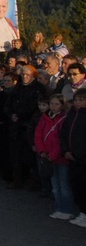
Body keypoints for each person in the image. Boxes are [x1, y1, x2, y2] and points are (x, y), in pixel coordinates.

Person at [35, 94, 76, 220]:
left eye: (56, 104)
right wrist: (41, 151)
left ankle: (68, 209)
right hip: (47, 155)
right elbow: (38, 135)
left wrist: (52, 156)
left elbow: (61, 140)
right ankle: (59, 208)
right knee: (55, 185)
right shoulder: (45, 117)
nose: (53, 106)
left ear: (62, 105)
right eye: (52, 104)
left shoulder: (64, 119)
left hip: (60, 158)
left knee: (64, 185)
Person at [62, 88, 86, 227]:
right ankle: (82, 212)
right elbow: (64, 133)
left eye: (81, 100)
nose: (78, 103)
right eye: (76, 100)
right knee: (76, 185)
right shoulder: (71, 113)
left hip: (82, 157)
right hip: (71, 156)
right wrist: (66, 150)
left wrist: (79, 154)